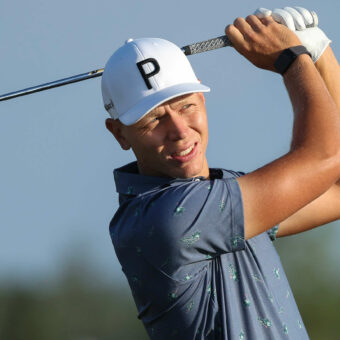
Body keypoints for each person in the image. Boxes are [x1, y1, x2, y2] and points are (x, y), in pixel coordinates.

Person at [102, 6, 340, 340]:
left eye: (186, 106)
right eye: (154, 120)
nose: (180, 131)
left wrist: (320, 54)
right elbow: (324, 158)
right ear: (119, 133)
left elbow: (336, 185)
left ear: (202, 94)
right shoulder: (167, 217)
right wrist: (293, 59)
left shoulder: (223, 194)